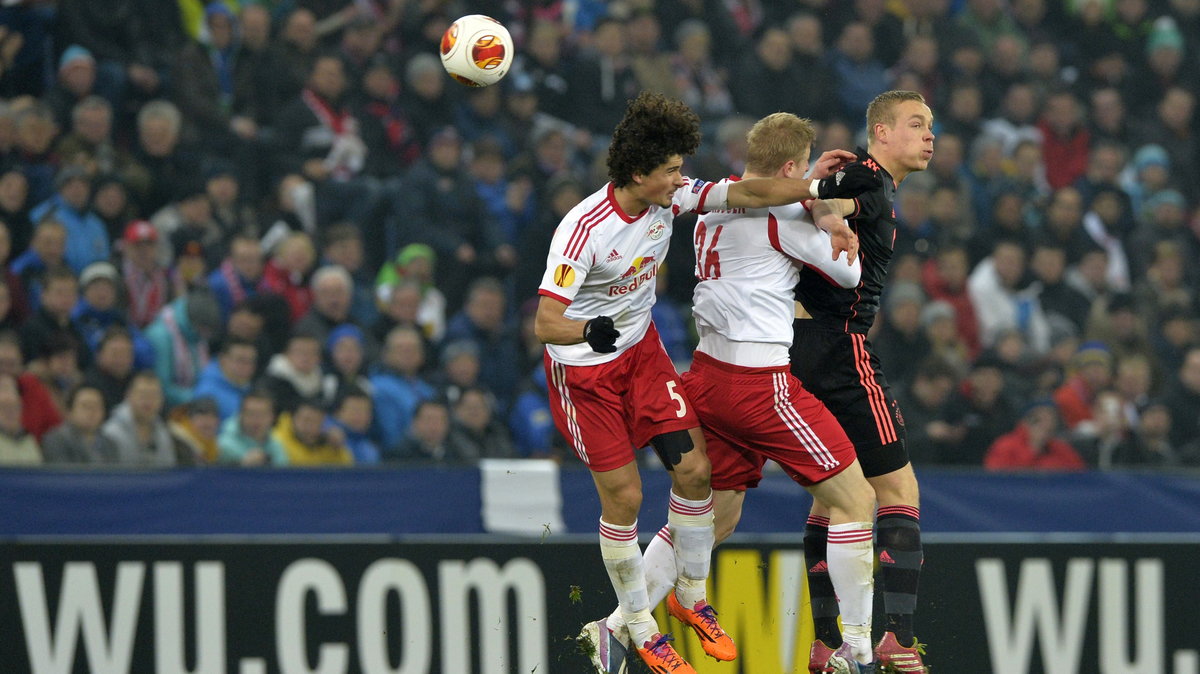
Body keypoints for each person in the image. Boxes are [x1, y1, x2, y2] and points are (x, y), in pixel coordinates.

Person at [536, 91, 875, 673]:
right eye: (670, 170)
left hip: (653, 355)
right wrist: (588, 330)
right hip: (594, 371)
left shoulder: (681, 201)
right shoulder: (583, 229)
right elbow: (545, 320)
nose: (680, 180)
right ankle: (642, 624)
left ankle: (669, 606)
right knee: (851, 499)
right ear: (639, 172)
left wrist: (815, 192)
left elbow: (747, 191)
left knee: (701, 483)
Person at [789, 90, 935, 672]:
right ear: (881, 131)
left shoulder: (864, 179)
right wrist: (828, 212)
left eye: (931, 126)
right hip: (839, 348)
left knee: (834, 498)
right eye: (917, 124)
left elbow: (815, 200)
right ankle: (896, 639)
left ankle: (825, 645)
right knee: (898, 493)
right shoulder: (867, 177)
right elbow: (830, 203)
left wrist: (820, 204)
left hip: (793, 348)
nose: (930, 136)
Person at [41, 384, 117, 464]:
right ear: (70, 411)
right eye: (85, 406)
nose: (92, 412)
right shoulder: (57, 440)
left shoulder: (110, 444)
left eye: (97, 406)